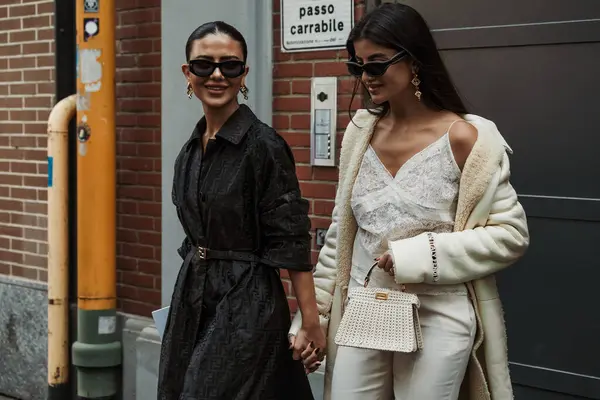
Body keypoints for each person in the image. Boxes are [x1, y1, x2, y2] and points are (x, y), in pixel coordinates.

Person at [289, 3, 530, 400]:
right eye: (358, 66)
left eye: (377, 64)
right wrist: (312, 319)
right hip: (364, 307)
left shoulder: (466, 137)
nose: (366, 77)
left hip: (438, 314)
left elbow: (510, 234)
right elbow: (340, 239)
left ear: (414, 60)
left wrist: (420, 254)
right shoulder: (359, 132)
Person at [157, 21, 325, 400]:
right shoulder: (190, 150)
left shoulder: (263, 145)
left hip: (247, 300)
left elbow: (291, 238)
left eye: (229, 66)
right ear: (188, 73)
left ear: (244, 73)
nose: (216, 75)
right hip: (193, 297)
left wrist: (310, 321)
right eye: (204, 65)